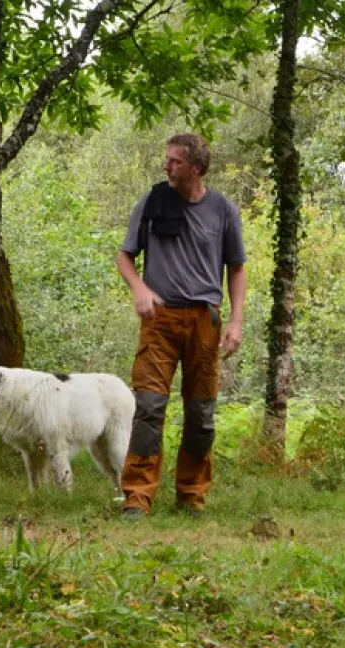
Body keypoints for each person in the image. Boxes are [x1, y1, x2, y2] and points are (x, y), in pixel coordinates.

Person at [114, 133, 246, 519]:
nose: (166, 166)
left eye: (174, 161)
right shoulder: (151, 202)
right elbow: (124, 257)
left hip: (205, 319)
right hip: (160, 319)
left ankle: (192, 495)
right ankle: (137, 496)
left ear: (196, 168)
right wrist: (139, 287)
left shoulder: (223, 210)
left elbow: (236, 267)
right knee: (149, 406)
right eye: (166, 159)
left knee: (201, 412)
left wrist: (236, 321)